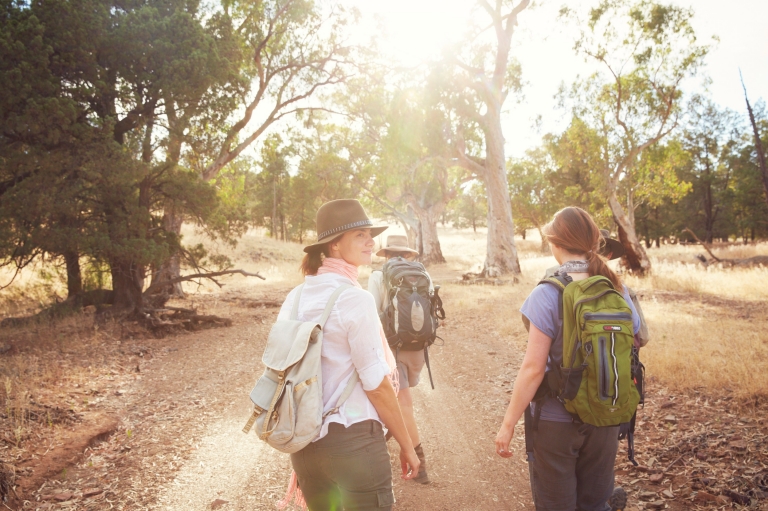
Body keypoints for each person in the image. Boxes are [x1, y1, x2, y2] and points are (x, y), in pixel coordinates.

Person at [494, 207, 641, 511]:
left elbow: (533, 369)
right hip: (606, 417)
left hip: (556, 422)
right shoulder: (616, 287)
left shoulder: (547, 293)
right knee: (595, 503)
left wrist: (508, 423)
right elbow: (635, 340)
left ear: (555, 243)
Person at [279, 199, 419, 511]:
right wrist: (408, 445)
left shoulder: (295, 297)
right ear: (335, 246)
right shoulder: (355, 298)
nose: (371, 241)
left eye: (370, 233)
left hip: (305, 448)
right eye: (359, 234)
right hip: (353, 445)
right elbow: (377, 385)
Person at [367, 235, 432, 484]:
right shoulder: (422, 273)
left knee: (401, 402)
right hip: (417, 350)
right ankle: (389, 436)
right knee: (397, 399)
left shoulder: (377, 276)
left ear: (385, 254)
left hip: (391, 348)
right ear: (407, 254)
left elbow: (371, 313)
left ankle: (420, 464)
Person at [544, 229, 650, 347]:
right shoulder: (621, 288)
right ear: (609, 256)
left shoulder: (553, 279)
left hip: (566, 360)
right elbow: (642, 336)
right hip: (613, 362)